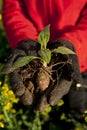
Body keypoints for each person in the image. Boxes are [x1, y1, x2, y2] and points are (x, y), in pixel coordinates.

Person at [2, 0, 87, 120]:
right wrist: (24, 40)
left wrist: (73, 44)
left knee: (77, 116)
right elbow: (13, 8)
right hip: (37, 53)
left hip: (79, 63)